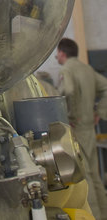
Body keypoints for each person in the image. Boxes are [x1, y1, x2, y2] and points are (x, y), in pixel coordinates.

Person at [57, 37, 107, 219]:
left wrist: (71, 116)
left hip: (76, 128)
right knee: (95, 175)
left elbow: (68, 91)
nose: (56, 57)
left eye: (57, 54)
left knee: (84, 178)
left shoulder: (66, 69)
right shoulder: (88, 69)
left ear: (62, 53)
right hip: (89, 128)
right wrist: (98, 113)